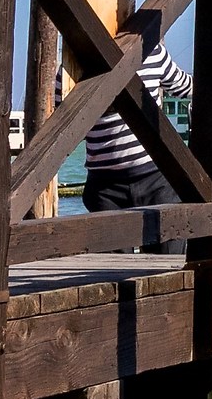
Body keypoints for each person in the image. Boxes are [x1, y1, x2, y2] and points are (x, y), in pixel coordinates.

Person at [80, 39, 194, 248]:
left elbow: (185, 86)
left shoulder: (152, 51)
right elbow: (186, 87)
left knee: (167, 259)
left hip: (153, 179)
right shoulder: (76, 61)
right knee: (114, 266)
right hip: (110, 185)